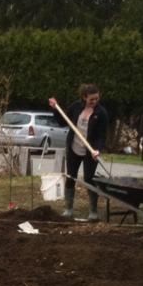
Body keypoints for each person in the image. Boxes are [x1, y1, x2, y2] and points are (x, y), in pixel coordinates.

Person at [49, 84, 110, 221]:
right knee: (71, 177)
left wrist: (97, 150)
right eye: (91, 99)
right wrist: (55, 108)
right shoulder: (76, 107)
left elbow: (102, 135)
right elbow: (62, 121)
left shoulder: (101, 113)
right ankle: (68, 209)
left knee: (89, 179)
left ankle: (93, 211)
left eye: (97, 98)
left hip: (90, 151)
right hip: (74, 148)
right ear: (84, 97)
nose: (94, 102)